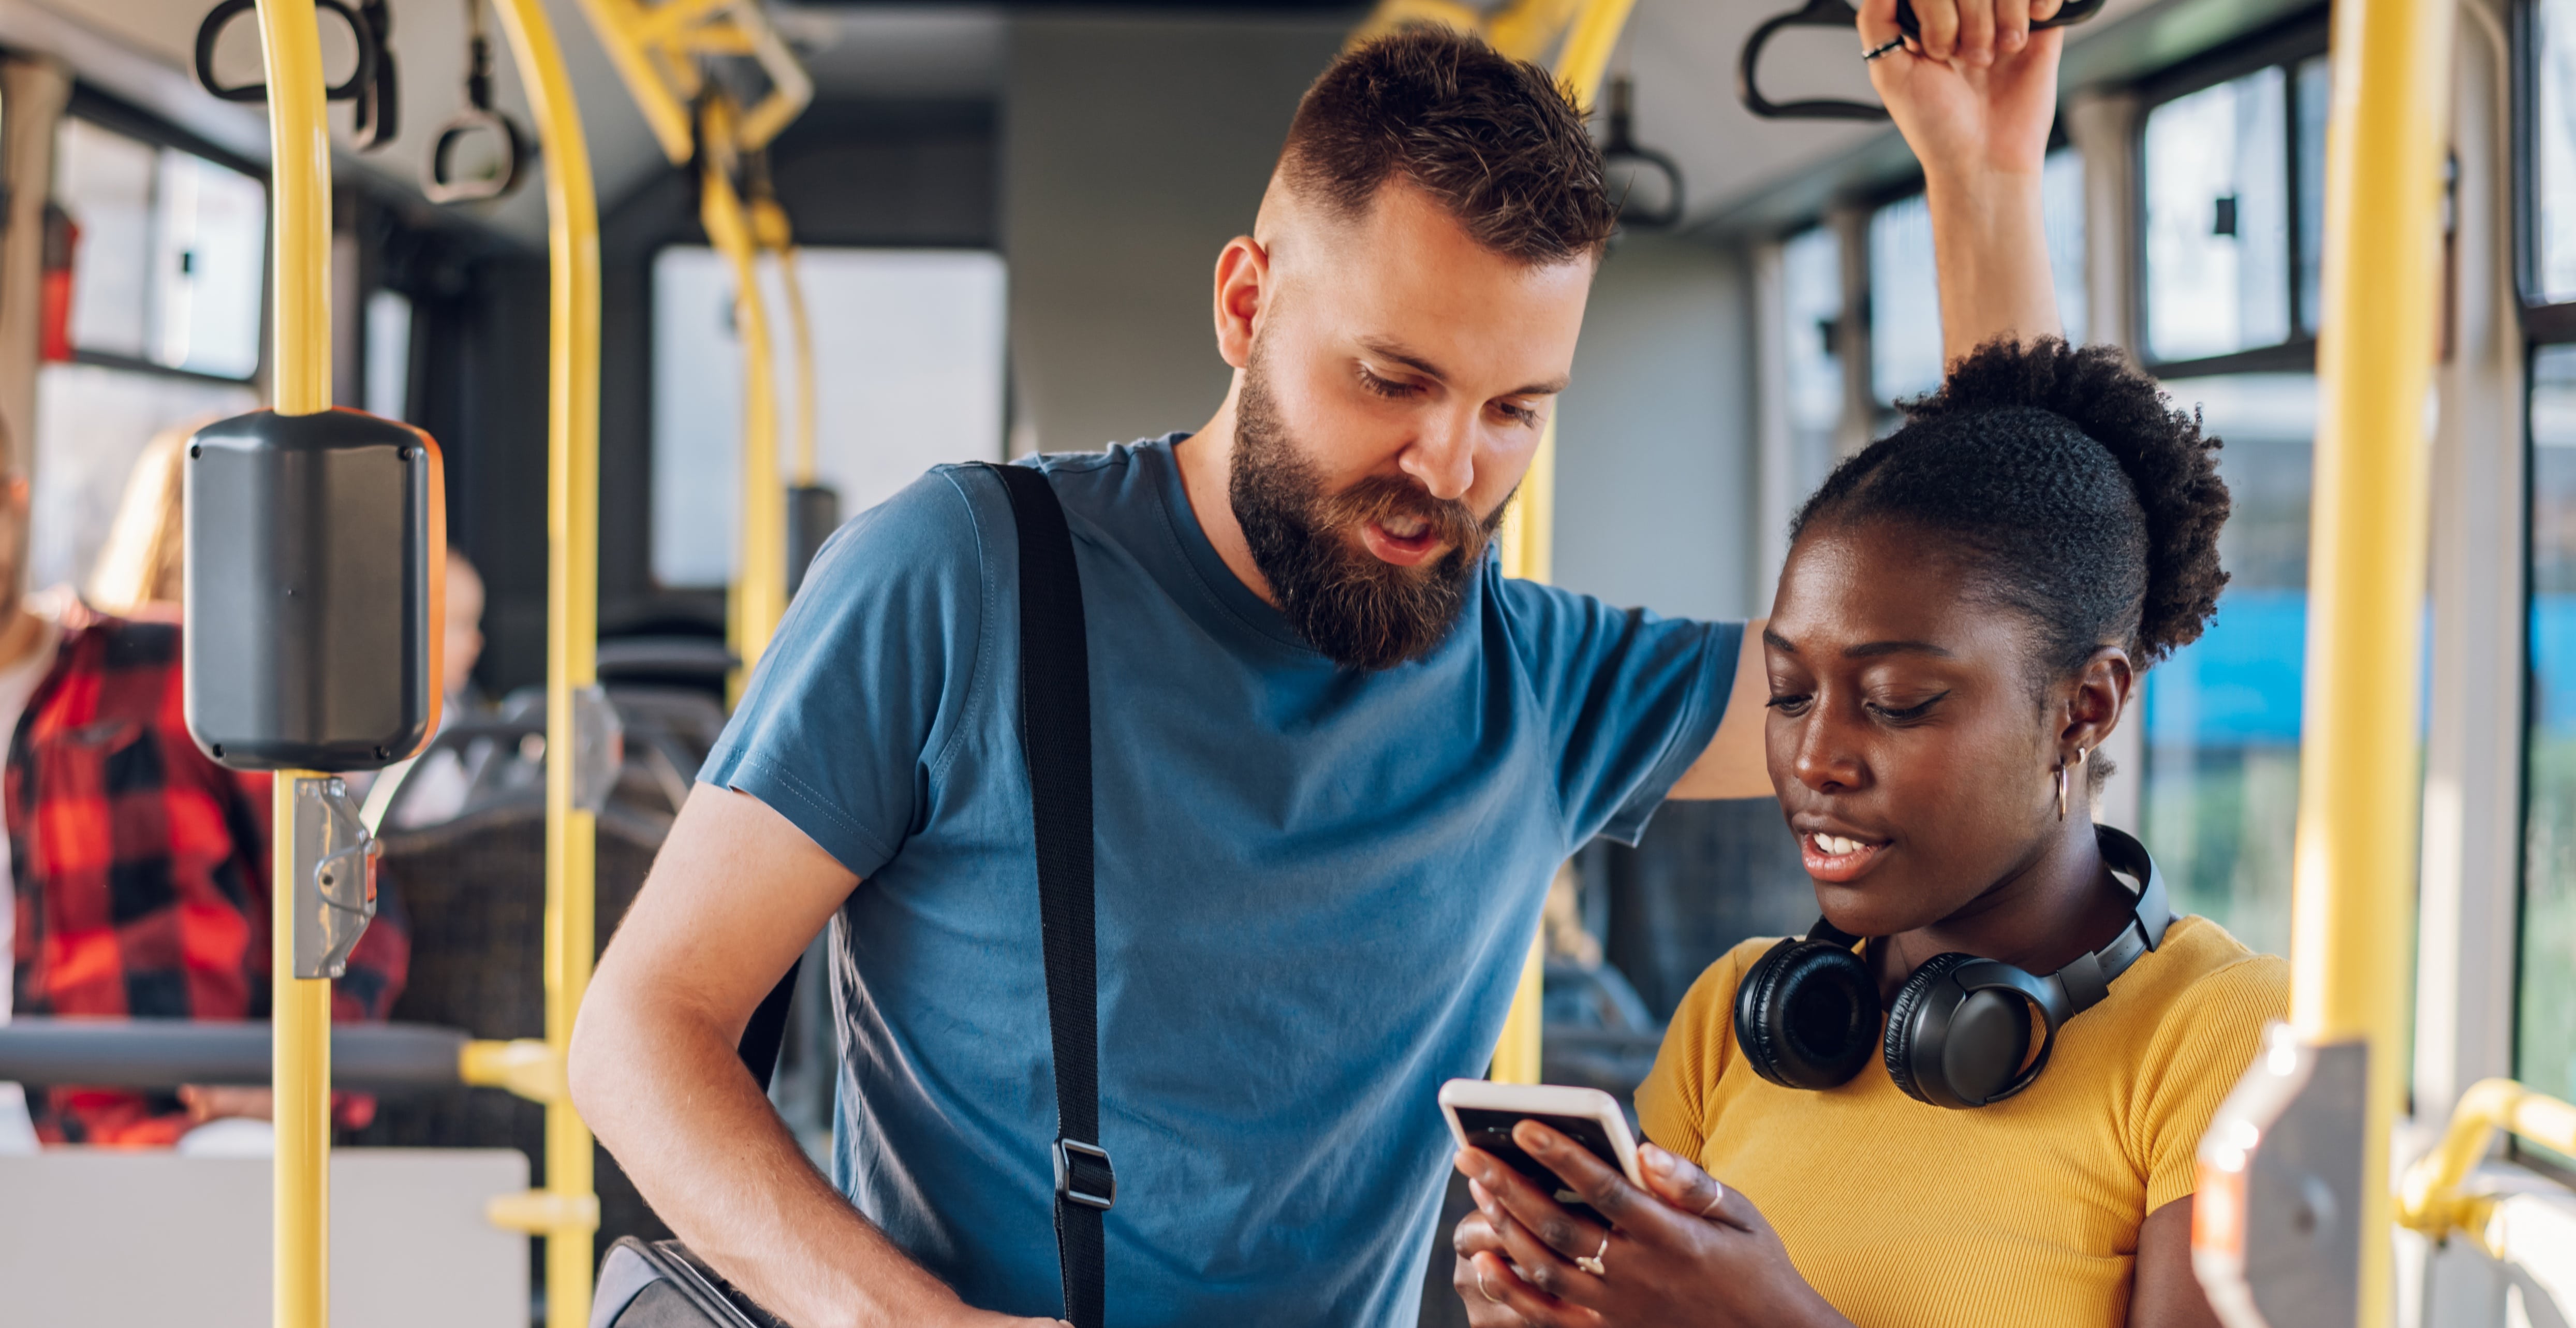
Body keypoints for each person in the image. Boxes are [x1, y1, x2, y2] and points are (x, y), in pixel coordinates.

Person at [569, 9, 2069, 1325]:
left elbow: (1971, 655)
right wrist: (897, 1319)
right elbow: (643, 1029)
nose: (1450, 465)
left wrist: (1985, 185)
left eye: (1515, 409)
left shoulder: (1551, 685)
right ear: (1245, 303)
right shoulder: (958, 574)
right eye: (1394, 379)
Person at [1442, 7, 2284, 1326]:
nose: (1812, 759)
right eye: (1786, 691)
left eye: (1895, 701)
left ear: (2088, 704)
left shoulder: (2216, 1037)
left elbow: (2013, 554)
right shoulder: (1738, 1017)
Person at [4, 423, 410, 1145]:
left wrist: (300, 1079)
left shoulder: (171, 673)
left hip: (165, 1120)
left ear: (15, 501)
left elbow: (348, 895)